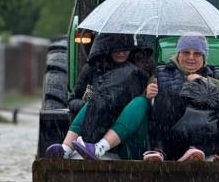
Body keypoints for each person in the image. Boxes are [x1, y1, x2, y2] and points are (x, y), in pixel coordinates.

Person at [45, 33, 152, 161]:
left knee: (140, 102)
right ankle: (66, 149)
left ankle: (100, 147)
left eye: (125, 49)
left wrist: (148, 94)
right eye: (117, 49)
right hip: (95, 130)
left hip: (128, 140)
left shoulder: (141, 72)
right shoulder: (93, 69)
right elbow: (72, 100)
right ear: (106, 47)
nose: (121, 53)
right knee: (93, 101)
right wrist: (93, 105)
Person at [144, 32, 219, 162]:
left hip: (205, 135)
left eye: (197, 53)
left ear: (204, 57)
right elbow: (150, 105)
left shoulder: (215, 75)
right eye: (186, 52)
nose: (191, 58)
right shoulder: (161, 72)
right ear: (178, 54)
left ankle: (208, 152)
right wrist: (148, 95)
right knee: (168, 99)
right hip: (173, 136)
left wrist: (204, 80)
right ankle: (158, 150)